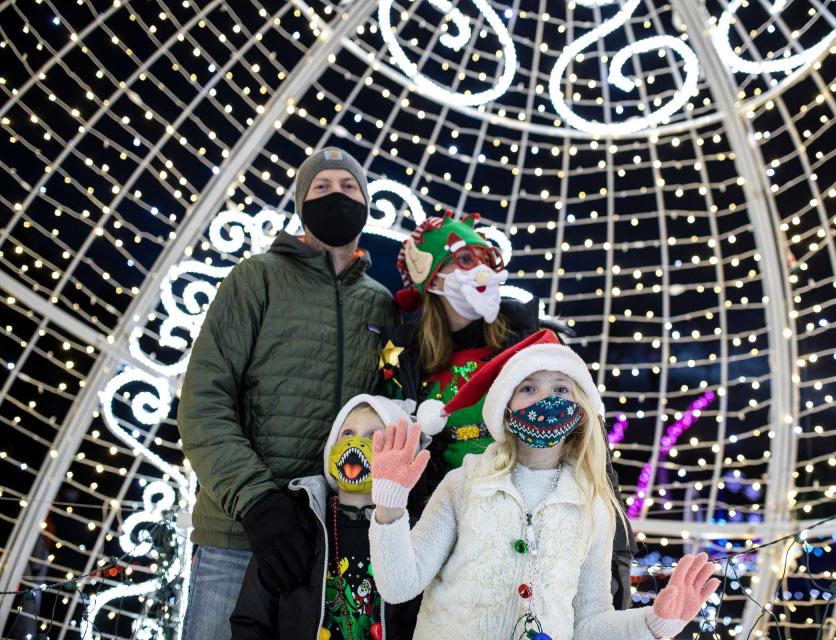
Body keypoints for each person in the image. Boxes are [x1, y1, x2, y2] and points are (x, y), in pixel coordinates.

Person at [367, 330, 720, 639]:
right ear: (506, 407)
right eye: (528, 387)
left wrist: (654, 623)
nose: (544, 399)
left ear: (580, 409)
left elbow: (589, 624)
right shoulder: (462, 486)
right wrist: (390, 504)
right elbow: (399, 585)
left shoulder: (592, 507)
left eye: (561, 388)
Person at [177, 147, 396, 640]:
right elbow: (203, 402)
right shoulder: (257, 278)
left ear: (365, 203)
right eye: (321, 188)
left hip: (328, 537)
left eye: (348, 187)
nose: (335, 196)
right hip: (237, 532)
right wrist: (257, 502)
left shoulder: (379, 303)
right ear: (301, 204)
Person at [230, 394, 425, 640]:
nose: (355, 444)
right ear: (332, 449)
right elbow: (252, 619)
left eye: (373, 436)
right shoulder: (299, 524)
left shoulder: (415, 534)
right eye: (347, 433)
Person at [381, 210, 538, 473]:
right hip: (439, 500)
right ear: (432, 277)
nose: (482, 271)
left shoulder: (524, 337)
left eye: (486, 260)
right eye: (465, 259)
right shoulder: (403, 354)